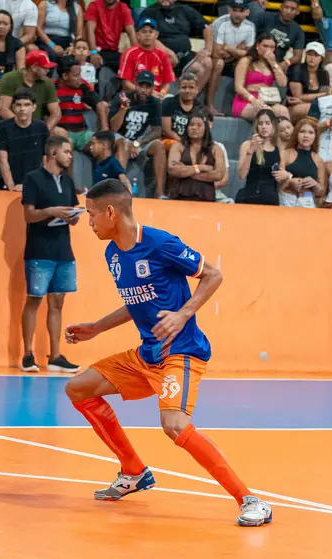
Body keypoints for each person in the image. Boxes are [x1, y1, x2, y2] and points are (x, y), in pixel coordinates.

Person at [63, 178, 273, 526]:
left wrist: (183, 314)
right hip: (147, 355)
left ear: (111, 212)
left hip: (182, 352)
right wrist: (97, 327)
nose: (89, 222)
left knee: (174, 425)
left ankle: (250, 500)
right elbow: (138, 302)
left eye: (91, 214)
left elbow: (213, 275)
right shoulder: (113, 254)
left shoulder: (160, 244)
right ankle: (133, 470)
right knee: (78, 388)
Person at [19, 136, 81, 373]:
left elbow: (72, 211)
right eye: (67, 151)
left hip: (64, 251)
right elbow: (29, 215)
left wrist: (73, 216)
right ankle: (27, 354)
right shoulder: (33, 178)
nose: (70, 156)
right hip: (39, 250)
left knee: (57, 304)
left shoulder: (68, 181)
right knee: (34, 300)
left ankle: (55, 356)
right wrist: (50, 211)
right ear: (54, 153)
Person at [0, 88, 50, 191]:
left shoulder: (41, 127)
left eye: (27, 105)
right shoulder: (3, 127)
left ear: (34, 107)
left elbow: (46, 160)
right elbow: (2, 160)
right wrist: (12, 187)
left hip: (35, 185)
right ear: (13, 107)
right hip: (5, 185)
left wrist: (41, 185)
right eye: (18, 105)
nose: (22, 109)